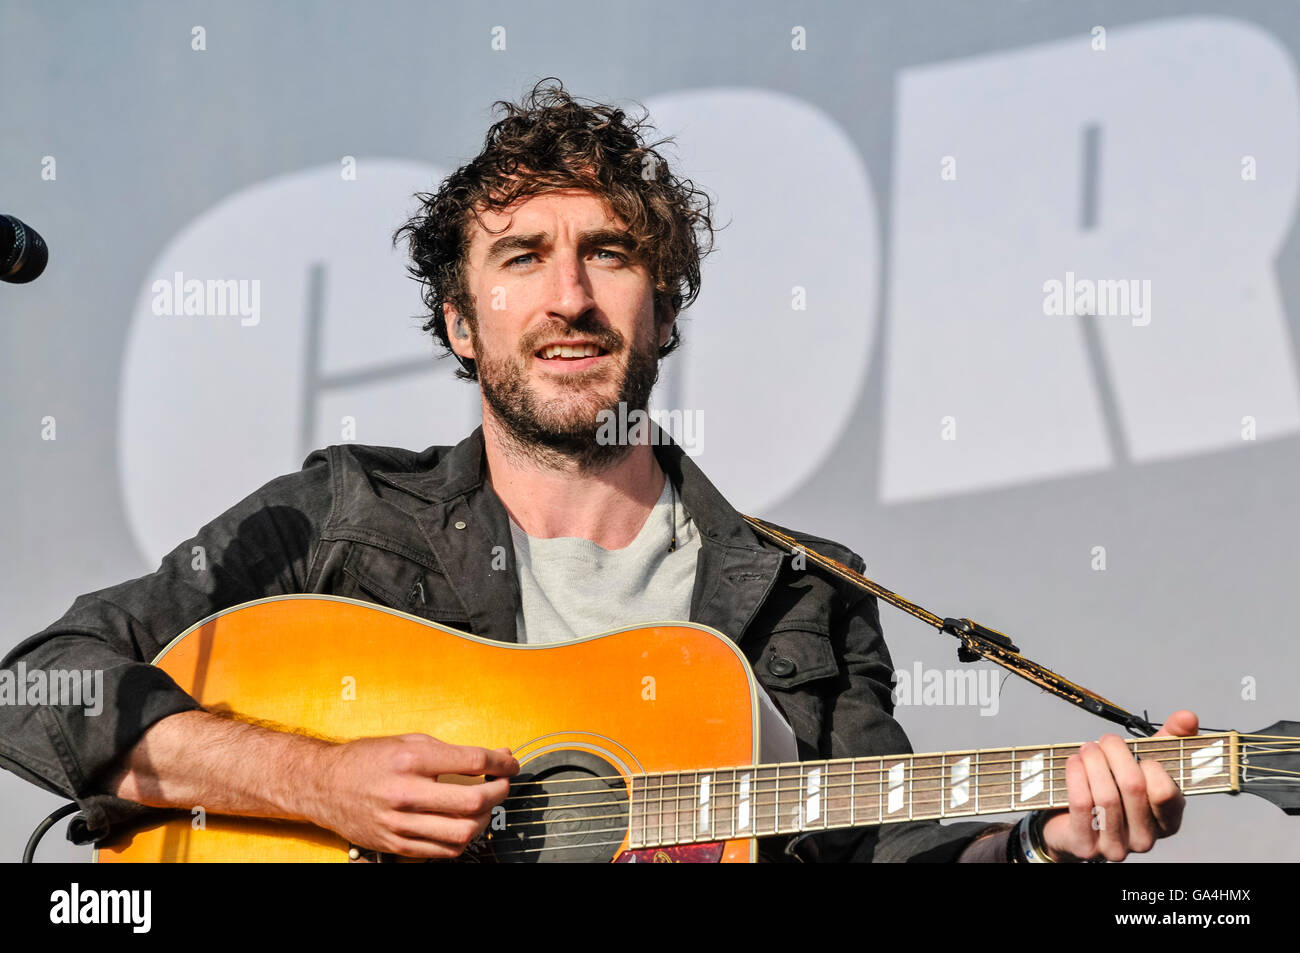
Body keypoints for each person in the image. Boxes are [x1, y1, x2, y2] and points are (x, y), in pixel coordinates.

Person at [0, 78, 1196, 863]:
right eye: (522, 257)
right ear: (462, 322)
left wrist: (1041, 841)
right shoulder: (339, 516)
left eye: (609, 255)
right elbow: (34, 687)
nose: (569, 297)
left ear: (660, 309)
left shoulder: (805, 590)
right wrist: (317, 782)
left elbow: (873, 845)